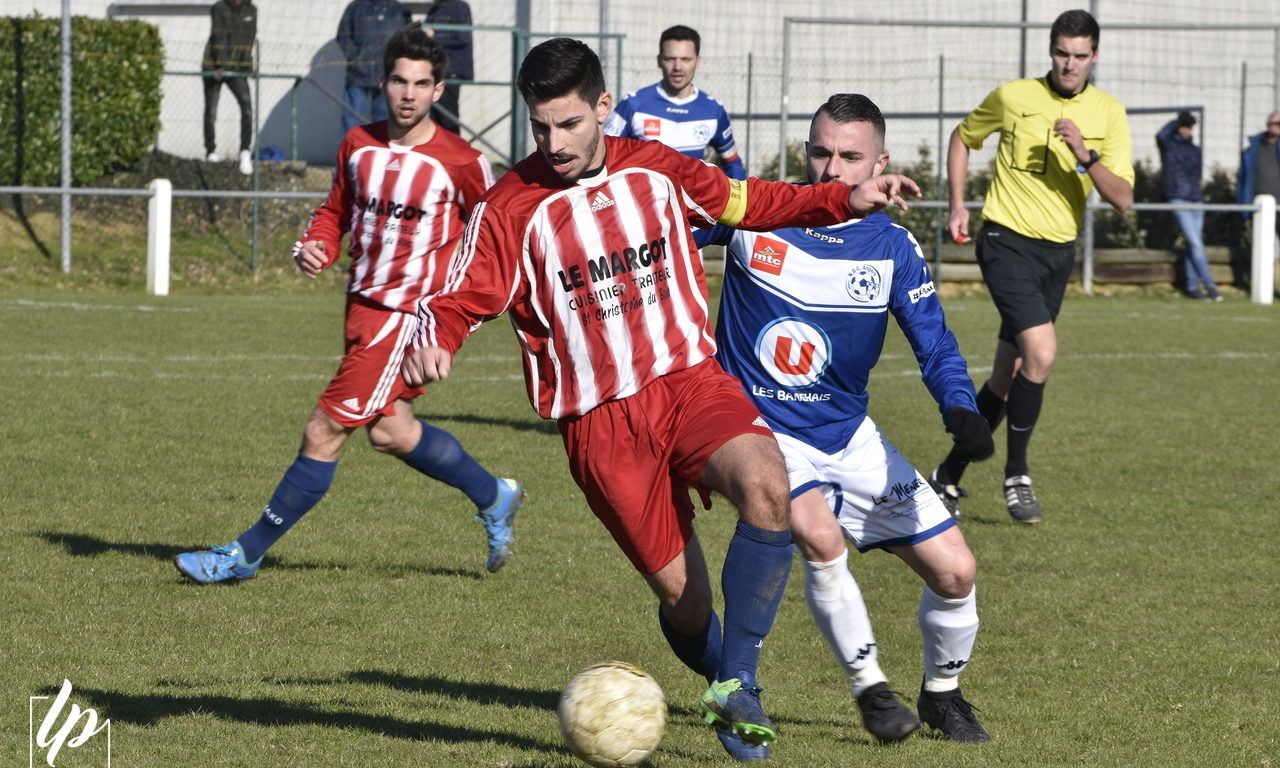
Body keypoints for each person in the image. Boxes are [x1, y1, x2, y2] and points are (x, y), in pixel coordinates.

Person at [400, 38, 919, 763]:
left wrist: (840, 196)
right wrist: (441, 337)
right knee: (687, 602)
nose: (555, 143)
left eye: (571, 124)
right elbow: (460, 296)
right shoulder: (512, 206)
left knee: (768, 487)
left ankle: (740, 685)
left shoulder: (659, 169)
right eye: (541, 127)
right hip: (600, 425)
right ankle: (723, 681)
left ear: (604, 108)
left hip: (689, 383)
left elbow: (753, 202)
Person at [175, 26, 522, 585]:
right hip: (359, 306)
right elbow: (336, 209)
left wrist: (459, 316)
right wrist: (316, 244)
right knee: (391, 430)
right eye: (400, 81)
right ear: (383, 83)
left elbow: (498, 238)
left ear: (439, 90)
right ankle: (494, 493)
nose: (409, 93)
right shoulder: (357, 143)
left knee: (323, 431)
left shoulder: (462, 164)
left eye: (422, 83)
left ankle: (244, 553)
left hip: (406, 318)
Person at [700, 93, 994, 745]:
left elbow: (934, 342)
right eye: (821, 151)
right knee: (821, 539)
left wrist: (960, 410)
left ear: (880, 163)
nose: (831, 168)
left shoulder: (890, 245)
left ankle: (942, 696)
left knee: (957, 571)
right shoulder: (758, 212)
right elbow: (671, 224)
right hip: (761, 432)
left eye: (850, 156)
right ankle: (867, 691)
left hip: (849, 437)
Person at [935, 9, 1133, 524]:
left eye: (1080, 56)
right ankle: (1017, 476)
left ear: (1095, 56)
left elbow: (1124, 199)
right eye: (1062, 54)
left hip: (1057, 252)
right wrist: (959, 203)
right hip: (1004, 239)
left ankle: (947, 475)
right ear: (1051, 51)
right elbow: (963, 138)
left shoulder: (1109, 113)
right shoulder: (1014, 96)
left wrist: (1087, 157)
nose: (1070, 65)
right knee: (1041, 354)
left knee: (1009, 374)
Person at [604, 25, 746, 179]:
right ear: (659, 60)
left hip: (693, 202)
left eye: (685, 59)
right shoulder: (633, 104)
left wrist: (741, 201)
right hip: (645, 201)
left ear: (697, 61)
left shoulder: (714, 111)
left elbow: (732, 163)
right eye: (670, 59)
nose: (677, 67)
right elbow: (604, 155)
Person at [1157, 111, 1220, 301]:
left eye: (1189, 126)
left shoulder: (1195, 149)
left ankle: (1192, 287)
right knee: (1195, 242)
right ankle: (1210, 285)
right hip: (1178, 198)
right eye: (1184, 126)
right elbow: (1160, 135)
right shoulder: (1169, 145)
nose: (1187, 130)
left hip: (1195, 199)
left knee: (1194, 244)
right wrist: (1175, 121)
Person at [337, 0, 411, 133]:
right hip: (357, 76)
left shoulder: (399, 10)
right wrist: (357, 60)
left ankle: (379, 152)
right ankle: (352, 152)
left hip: (387, 76)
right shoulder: (356, 7)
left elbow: (407, 39)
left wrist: (394, 63)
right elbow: (343, 36)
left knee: (383, 121)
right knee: (352, 120)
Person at [201, 0, 257, 175]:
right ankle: (211, 151)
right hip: (214, 66)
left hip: (237, 69)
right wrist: (221, 66)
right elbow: (219, 36)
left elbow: (249, 40)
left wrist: (248, 67)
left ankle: (245, 151)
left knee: (246, 105)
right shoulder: (219, 8)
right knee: (211, 110)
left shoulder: (251, 10)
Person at [422, 0, 473, 134]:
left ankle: (454, 150)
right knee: (433, 116)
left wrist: (435, 36)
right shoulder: (435, 8)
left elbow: (463, 37)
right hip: (435, 71)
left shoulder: (459, 6)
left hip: (451, 71)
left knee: (448, 117)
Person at [1235, 110, 1280, 249]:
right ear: (1268, 124)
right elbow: (1242, 176)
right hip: (1259, 204)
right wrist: (1242, 202)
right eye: (1277, 123)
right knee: (1263, 247)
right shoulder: (1253, 147)